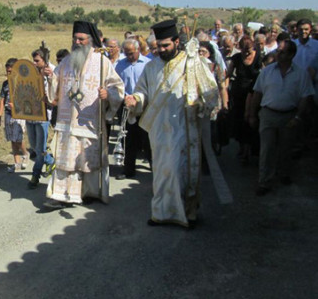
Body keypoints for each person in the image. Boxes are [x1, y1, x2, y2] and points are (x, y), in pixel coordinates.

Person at [125, 20, 219, 228]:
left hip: (184, 127)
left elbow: (211, 91)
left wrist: (198, 99)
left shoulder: (192, 63)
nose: (161, 50)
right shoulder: (151, 67)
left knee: (179, 170)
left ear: (177, 41)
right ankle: (161, 212)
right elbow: (143, 91)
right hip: (159, 130)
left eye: (165, 45)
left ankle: (186, 213)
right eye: (158, 46)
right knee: (160, 171)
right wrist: (136, 100)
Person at [43, 21, 124, 208]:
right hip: (67, 121)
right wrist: (49, 77)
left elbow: (117, 87)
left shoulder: (102, 62)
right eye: (75, 39)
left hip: (90, 121)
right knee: (66, 160)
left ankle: (89, 193)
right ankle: (62, 196)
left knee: (87, 159)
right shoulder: (66, 61)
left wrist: (108, 94)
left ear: (90, 40)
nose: (77, 42)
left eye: (81, 39)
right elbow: (55, 85)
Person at [249, 39, 315, 195]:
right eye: (277, 50)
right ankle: (264, 181)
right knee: (266, 150)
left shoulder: (300, 74)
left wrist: (298, 117)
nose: (277, 54)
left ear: (291, 55)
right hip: (268, 114)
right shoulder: (267, 72)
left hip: (289, 116)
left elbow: (306, 96)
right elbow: (257, 93)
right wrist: (252, 114)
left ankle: (284, 173)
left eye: (282, 51)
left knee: (286, 148)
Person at [114, 38, 151, 179]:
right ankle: (128, 170)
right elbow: (117, 84)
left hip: (144, 106)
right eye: (126, 53)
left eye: (131, 53)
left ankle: (155, 167)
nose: (129, 56)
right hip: (127, 106)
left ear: (138, 50)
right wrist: (125, 97)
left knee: (147, 139)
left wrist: (139, 99)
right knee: (129, 139)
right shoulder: (120, 65)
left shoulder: (147, 64)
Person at [228, 35, 261, 164]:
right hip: (239, 93)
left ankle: (250, 149)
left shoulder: (258, 58)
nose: (247, 53)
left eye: (249, 50)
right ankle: (242, 147)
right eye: (244, 50)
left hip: (253, 92)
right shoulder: (236, 58)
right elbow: (229, 74)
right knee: (239, 121)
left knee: (251, 121)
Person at [26, 49, 56, 188]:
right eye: (33, 60)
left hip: (43, 116)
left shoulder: (52, 71)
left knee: (40, 149)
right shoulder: (30, 72)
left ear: (44, 60)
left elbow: (55, 91)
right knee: (34, 146)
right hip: (30, 115)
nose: (34, 63)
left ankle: (35, 175)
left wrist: (49, 78)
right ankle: (50, 161)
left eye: (37, 60)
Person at [0, 57, 28, 172]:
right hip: (8, 113)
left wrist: (18, 107)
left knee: (18, 137)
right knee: (11, 138)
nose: (8, 74)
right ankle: (17, 163)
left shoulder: (22, 83)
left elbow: (27, 100)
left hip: (19, 114)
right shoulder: (5, 84)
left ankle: (25, 153)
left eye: (10, 71)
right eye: (7, 71)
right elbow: (2, 99)